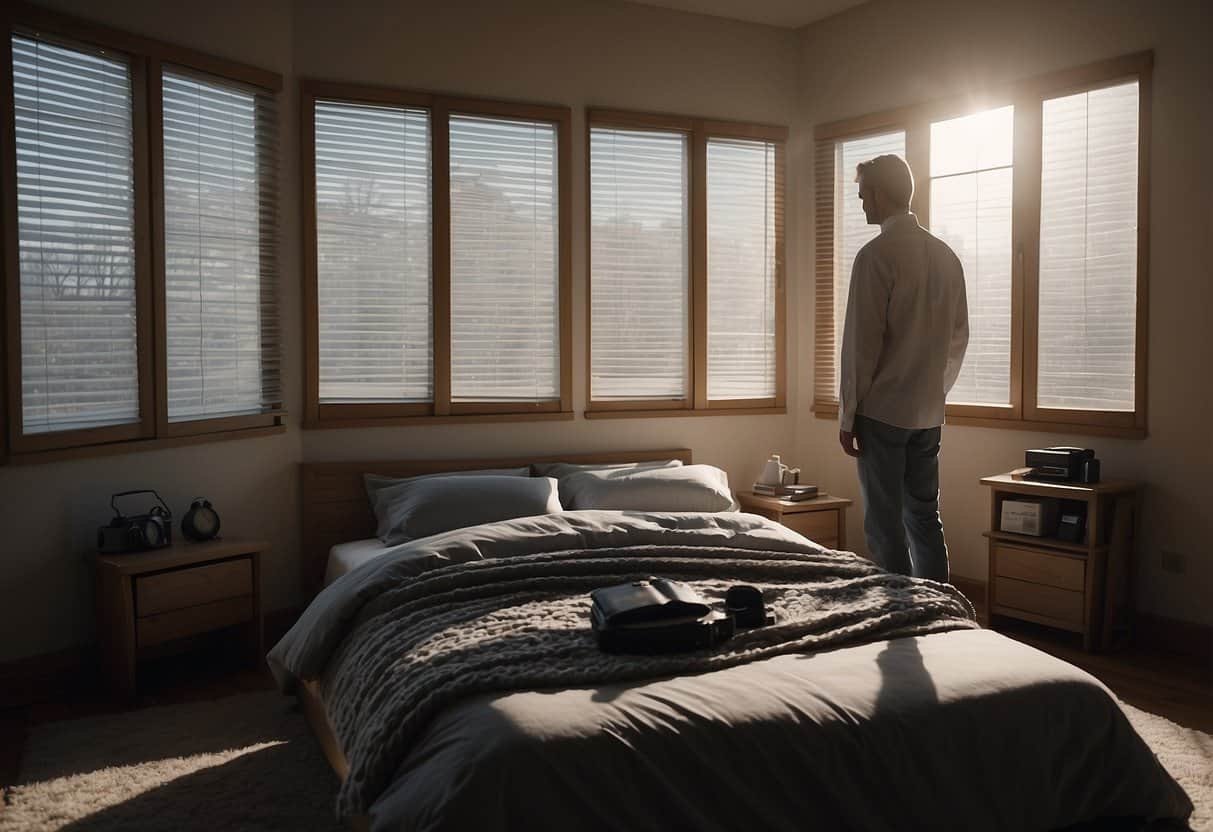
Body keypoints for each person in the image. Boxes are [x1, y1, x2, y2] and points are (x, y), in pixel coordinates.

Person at [837, 154, 968, 582]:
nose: (861, 204)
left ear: (878, 193)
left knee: (884, 524)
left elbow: (860, 345)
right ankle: (940, 608)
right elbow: (958, 338)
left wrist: (848, 416)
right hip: (928, 413)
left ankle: (898, 612)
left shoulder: (875, 256)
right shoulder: (947, 256)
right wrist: (935, 389)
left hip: (882, 412)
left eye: (863, 195)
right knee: (925, 517)